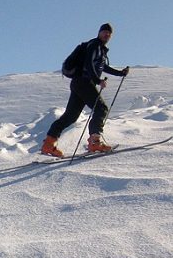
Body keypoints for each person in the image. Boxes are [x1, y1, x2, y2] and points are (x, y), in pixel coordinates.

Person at [41, 23, 130, 157]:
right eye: (104, 32)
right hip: (84, 82)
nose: (107, 34)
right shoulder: (95, 45)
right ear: (99, 33)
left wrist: (120, 73)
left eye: (109, 33)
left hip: (78, 83)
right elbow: (89, 64)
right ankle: (95, 142)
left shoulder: (98, 48)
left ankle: (49, 144)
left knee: (70, 116)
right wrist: (97, 80)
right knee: (101, 108)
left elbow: (102, 66)